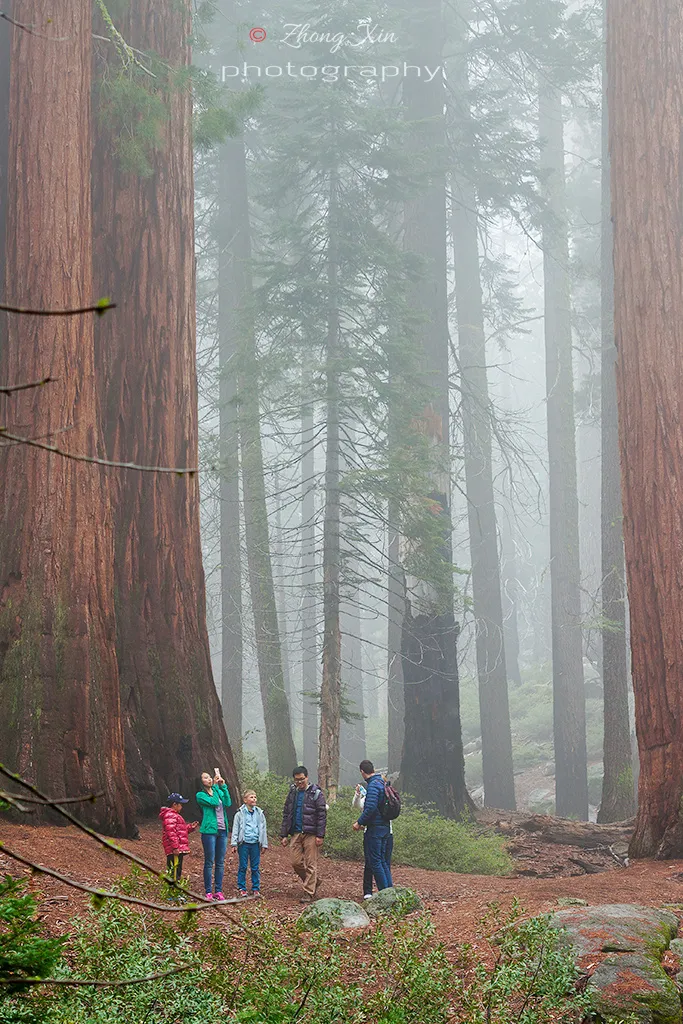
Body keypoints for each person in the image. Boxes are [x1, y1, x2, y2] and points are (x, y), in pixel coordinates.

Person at [280, 765, 327, 902]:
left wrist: (320, 835)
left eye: (301, 779)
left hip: (311, 833)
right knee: (296, 862)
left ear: (307, 777)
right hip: (295, 832)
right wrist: (283, 835)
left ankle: (308, 892)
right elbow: (287, 813)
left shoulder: (316, 793)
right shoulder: (293, 792)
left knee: (311, 863)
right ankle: (314, 881)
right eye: (297, 780)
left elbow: (322, 815)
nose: (299, 783)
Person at [352, 760, 393, 891]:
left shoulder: (374, 785)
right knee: (382, 861)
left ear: (362, 772)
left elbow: (370, 808)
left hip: (376, 828)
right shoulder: (382, 782)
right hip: (385, 826)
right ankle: (389, 891)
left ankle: (385, 893)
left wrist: (359, 822)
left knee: (376, 862)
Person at [196, 770, 232, 901]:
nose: (209, 779)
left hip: (222, 830)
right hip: (209, 831)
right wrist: (217, 788)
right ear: (201, 782)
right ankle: (208, 891)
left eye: (210, 777)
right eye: (205, 778)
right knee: (209, 861)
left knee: (220, 862)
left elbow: (227, 803)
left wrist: (223, 787)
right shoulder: (200, 795)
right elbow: (214, 802)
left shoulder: (218, 791)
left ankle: (218, 890)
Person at [159, 792, 199, 896]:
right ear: (174, 804)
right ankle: (172, 893)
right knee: (174, 870)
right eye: (180, 804)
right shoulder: (170, 816)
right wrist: (175, 847)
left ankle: (175, 891)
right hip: (174, 850)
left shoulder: (174, 816)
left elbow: (180, 830)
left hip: (178, 848)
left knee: (177, 869)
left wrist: (190, 827)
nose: (181, 806)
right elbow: (171, 833)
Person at [230, 789, 268, 898]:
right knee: (243, 866)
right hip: (244, 843)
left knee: (255, 867)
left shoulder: (259, 814)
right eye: (251, 797)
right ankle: (242, 887)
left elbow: (263, 829)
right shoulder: (239, 814)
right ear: (245, 800)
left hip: (255, 843)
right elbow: (236, 828)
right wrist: (234, 843)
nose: (254, 799)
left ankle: (256, 888)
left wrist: (264, 844)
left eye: (255, 797)